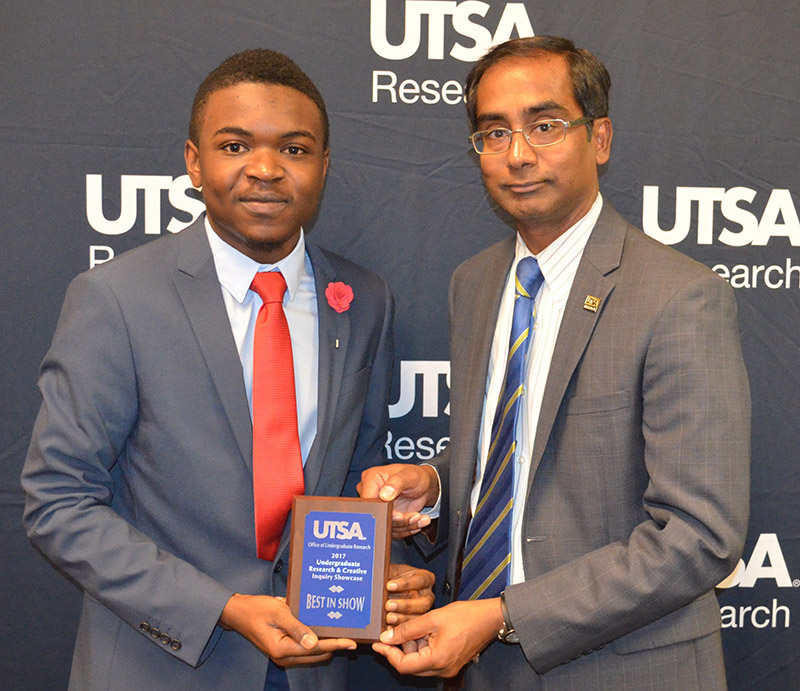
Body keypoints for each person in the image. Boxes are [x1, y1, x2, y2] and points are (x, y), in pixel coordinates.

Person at [22, 49, 433, 690]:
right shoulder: (117, 298)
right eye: (236, 145)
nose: (265, 170)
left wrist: (386, 561)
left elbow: (359, 478)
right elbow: (58, 502)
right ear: (194, 162)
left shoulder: (363, 299)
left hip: (315, 669)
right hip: (161, 665)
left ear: (323, 167)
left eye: (294, 150)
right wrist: (224, 611)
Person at [359, 36, 750, 689]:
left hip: (622, 669)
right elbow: (517, 461)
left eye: (544, 126)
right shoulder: (475, 284)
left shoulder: (680, 296)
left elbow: (699, 535)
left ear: (599, 138)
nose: (517, 154)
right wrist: (437, 484)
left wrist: (503, 615)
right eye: (493, 133)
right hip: (483, 669)